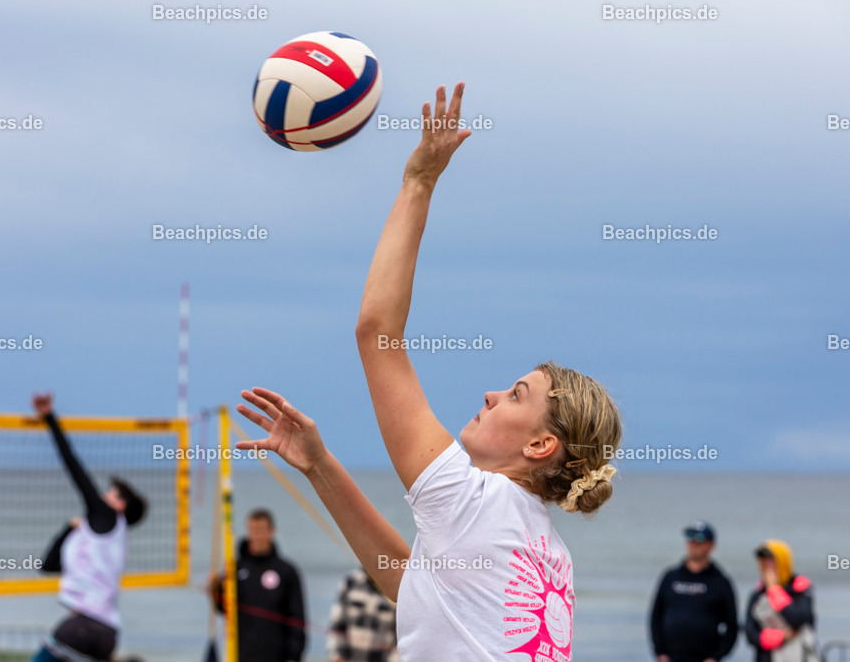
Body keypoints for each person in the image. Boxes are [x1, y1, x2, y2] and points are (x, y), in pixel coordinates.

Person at [234, 83, 623, 661]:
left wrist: (419, 181)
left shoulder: (474, 501)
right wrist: (319, 468)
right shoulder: (545, 550)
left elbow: (377, 334)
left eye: (516, 395)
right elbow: (412, 584)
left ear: (542, 443)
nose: (491, 394)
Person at [29, 393, 148, 662]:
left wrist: (50, 418)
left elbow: (75, 467)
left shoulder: (105, 516)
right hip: (107, 633)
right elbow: (48, 566)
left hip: (83, 627)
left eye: (112, 494)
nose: (105, 495)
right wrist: (67, 530)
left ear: (120, 506)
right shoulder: (104, 537)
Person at [209, 509, 306, 662]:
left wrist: (294, 655)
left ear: (272, 531)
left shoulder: (286, 571)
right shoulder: (235, 569)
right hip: (242, 654)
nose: (258, 536)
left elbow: (298, 618)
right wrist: (215, 590)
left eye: (261, 530)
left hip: (278, 655)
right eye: (253, 530)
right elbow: (225, 610)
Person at [649, 521, 738, 662]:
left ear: (711, 546)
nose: (694, 543)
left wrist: (716, 657)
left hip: (703, 657)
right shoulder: (670, 577)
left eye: (700, 539)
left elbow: (732, 626)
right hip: (671, 658)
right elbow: (655, 617)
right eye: (690, 537)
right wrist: (659, 652)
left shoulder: (720, 582)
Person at [746, 540, 818, 662]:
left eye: (770, 560)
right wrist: (780, 637)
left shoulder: (800, 589)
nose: (766, 565)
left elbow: (799, 620)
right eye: (763, 561)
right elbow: (751, 634)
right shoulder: (757, 594)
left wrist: (775, 591)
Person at [327, 567, 398, 662]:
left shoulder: (398, 585)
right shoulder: (351, 582)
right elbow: (338, 626)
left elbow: (401, 637)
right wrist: (337, 656)